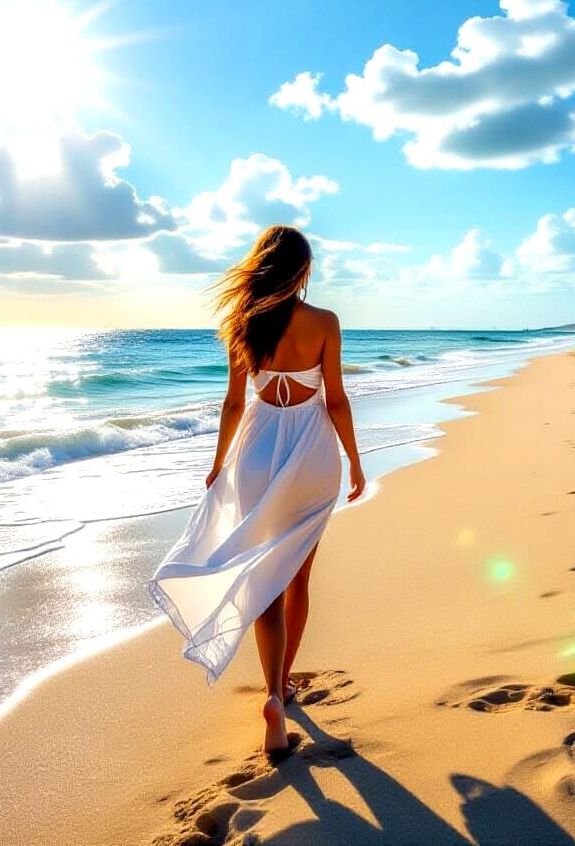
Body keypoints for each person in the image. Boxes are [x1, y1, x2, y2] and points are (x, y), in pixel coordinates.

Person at [150, 224, 366, 755]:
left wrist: (219, 462)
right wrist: (355, 461)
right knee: (297, 575)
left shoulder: (241, 325)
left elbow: (233, 404)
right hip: (311, 454)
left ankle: (273, 692)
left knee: (262, 577)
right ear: (302, 271)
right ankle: (283, 685)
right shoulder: (325, 322)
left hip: (256, 452)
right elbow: (334, 399)